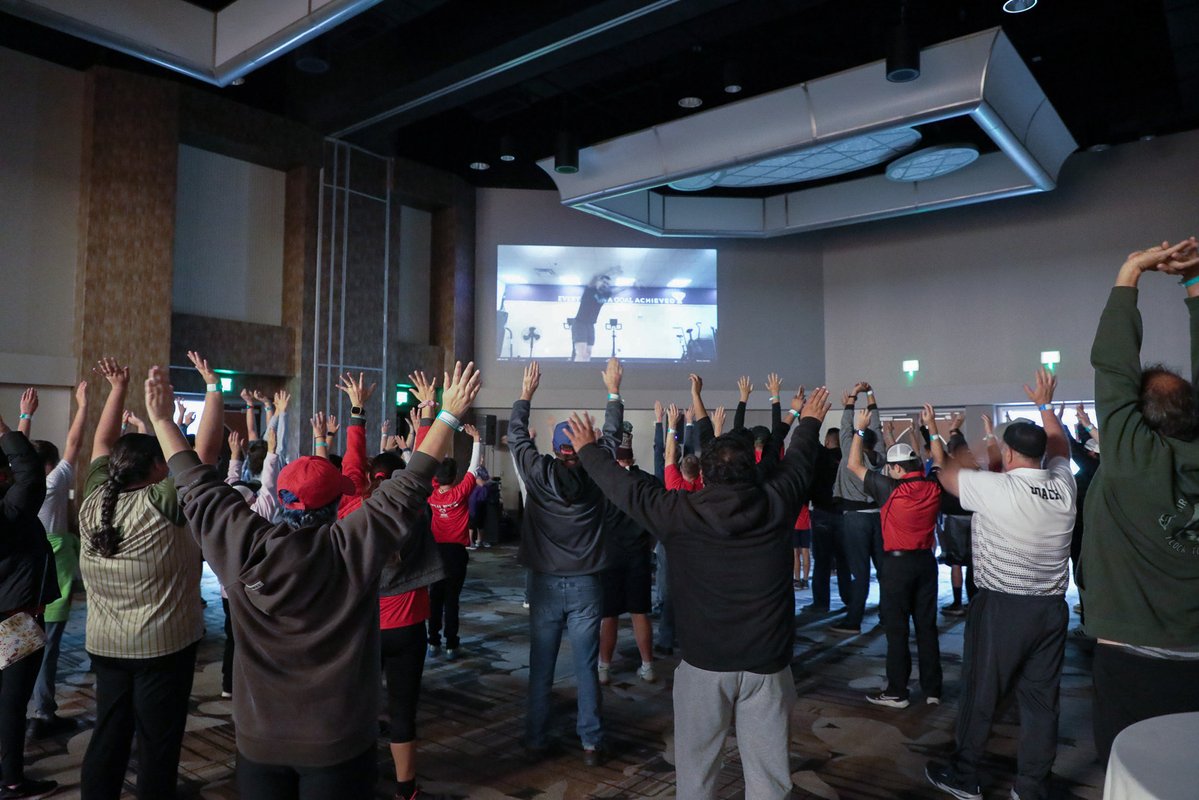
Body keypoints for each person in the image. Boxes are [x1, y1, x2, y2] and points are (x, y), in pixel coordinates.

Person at [164, 357, 479, 799]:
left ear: (281, 500)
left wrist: (163, 419)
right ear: (337, 503)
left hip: (259, 738)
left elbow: (194, 481)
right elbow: (411, 484)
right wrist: (443, 414)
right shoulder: (353, 544)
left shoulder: (242, 546)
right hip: (339, 739)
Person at [565, 373, 830, 800]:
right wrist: (810, 422)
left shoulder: (678, 511)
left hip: (705, 663)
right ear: (754, 471)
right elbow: (800, 459)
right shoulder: (778, 500)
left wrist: (587, 449)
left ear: (703, 476)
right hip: (768, 663)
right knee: (769, 778)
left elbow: (623, 487)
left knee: (697, 771)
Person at [925, 368, 1076, 800]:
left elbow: (947, 476)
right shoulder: (1063, 486)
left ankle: (966, 775)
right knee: (1042, 702)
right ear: (1041, 456)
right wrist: (1046, 407)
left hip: (1003, 610)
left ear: (1008, 455)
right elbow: (1062, 445)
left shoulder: (997, 489)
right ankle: (1031, 786)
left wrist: (947, 440)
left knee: (982, 693)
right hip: (1050, 610)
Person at [1077, 238, 1199, 763]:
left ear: (1134, 420)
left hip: (1136, 662)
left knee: (1138, 778)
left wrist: (1130, 271)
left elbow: (1112, 365)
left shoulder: (1130, 462)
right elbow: (1119, 375)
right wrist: (1194, 286)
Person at [77, 355, 210, 800]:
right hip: (163, 648)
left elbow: (102, 441)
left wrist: (117, 389)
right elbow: (198, 457)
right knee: (158, 743)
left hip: (106, 645)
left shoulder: (94, 499)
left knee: (109, 734)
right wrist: (172, 412)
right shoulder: (163, 503)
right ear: (157, 469)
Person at [509, 360, 618, 765]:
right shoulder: (598, 475)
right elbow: (609, 440)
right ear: (582, 448)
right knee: (587, 668)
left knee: (541, 667)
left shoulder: (538, 472)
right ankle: (591, 743)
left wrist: (525, 394)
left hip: (544, 584)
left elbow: (517, 436)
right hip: (588, 583)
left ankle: (536, 738)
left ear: (556, 449)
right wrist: (613, 392)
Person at [847, 409, 942, 709]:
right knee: (926, 628)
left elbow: (853, 464)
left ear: (897, 470)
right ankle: (933, 690)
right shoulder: (932, 486)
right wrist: (932, 427)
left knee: (897, 629)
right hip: (926, 564)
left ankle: (898, 691)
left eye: (890, 468)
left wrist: (860, 431)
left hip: (897, 566)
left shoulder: (889, 489)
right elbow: (940, 461)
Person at [0, 411, 60, 799]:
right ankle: (12, 780)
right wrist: (7, 429)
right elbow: (31, 475)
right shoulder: (9, 514)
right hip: (13, 622)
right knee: (11, 706)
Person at [26, 381, 88, 741]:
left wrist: (25, 418)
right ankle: (42, 713)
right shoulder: (51, 484)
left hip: (21, 584)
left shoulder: (17, 492)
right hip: (53, 582)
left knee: (22, 650)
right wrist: (82, 406)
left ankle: (29, 708)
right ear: (48, 466)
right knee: (47, 651)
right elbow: (75, 446)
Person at [598, 422, 657, 685]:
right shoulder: (647, 482)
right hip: (639, 555)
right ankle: (647, 665)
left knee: (608, 615)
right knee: (639, 612)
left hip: (609, 556)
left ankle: (603, 667)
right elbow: (657, 520)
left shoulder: (605, 483)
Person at [830, 382, 886, 635]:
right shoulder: (880, 456)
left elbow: (845, 429)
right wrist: (870, 395)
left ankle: (853, 621)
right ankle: (888, 616)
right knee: (884, 571)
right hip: (878, 517)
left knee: (860, 572)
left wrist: (852, 398)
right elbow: (876, 428)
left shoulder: (852, 457)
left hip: (855, 520)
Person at [426, 423, 483, 659]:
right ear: (455, 476)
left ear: (436, 479)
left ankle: (432, 642)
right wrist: (477, 439)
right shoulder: (460, 493)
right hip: (456, 553)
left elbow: (417, 468)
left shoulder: (430, 495)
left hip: (435, 552)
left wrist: (410, 450)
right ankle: (451, 644)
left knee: (435, 598)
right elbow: (474, 466)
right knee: (452, 600)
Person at [805, 427, 851, 614]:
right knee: (843, 561)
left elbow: (809, 436)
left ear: (827, 440)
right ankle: (849, 598)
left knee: (822, 562)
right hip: (843, 514)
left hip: (822, 513)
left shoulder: (820, 456)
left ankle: (821, 603)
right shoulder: (848, 458)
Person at [570, 274, 613, 362]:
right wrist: (610, 271)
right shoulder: (590, 290)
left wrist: (632, 285)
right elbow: (594, 277)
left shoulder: (606, 295)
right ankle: (577, 373)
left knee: (588, 353)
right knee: (582, 352)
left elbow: (616, 291)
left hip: (590, 324)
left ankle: (585, 372)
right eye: (604, 282)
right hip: (579, 323)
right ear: (598, 282)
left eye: (607, 284)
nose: (605, 285)